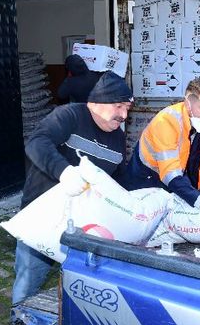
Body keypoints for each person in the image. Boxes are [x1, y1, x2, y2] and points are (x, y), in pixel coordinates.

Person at [12, 71, 133, 306]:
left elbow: (119, 178)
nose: (124, 115)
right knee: (29, 282)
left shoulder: (117, 136)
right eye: (119, 107)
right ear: (97, 102)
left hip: (84, 224)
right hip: (42, 216)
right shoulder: (69, 115)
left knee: (82, 287)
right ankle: (19, 322)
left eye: (127, 108)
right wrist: (64, 171)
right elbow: (37, 142)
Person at [122, 78, 200, 227]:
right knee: (142, 227)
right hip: (145, 181)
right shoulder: (166, 121)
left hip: (177, 179)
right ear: (188, 103)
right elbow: (170, 173)